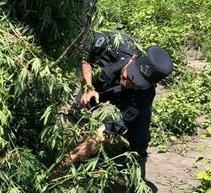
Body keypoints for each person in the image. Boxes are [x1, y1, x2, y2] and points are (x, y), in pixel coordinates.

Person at [66, 31, 174, 181]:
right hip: (99, 86)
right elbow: (86, 58)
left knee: (140, 138)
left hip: (126, 100)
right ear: (133, 59)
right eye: (130, 76)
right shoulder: (114, 45)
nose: (128, 83)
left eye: (137, 84)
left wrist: (71, 159)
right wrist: (88, 87)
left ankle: (134, 168)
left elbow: (105, 132)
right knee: (78, 111)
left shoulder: (144, 95)